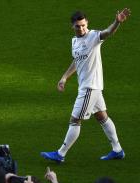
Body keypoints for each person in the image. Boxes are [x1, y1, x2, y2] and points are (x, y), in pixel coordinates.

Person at [41, 8, 131, 162]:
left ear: (87, 23)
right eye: (78, 26)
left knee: (75, 120)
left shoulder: (93, 36)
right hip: (89, 86)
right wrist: (64, 78)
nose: (81, 28)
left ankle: (60, 154)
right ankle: (118, 150)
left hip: (90, 87)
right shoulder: (74, 41)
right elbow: (77, 61)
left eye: (83, 25)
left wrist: (117, 22)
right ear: (72, 26)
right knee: (102, 117)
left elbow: (108, 32)